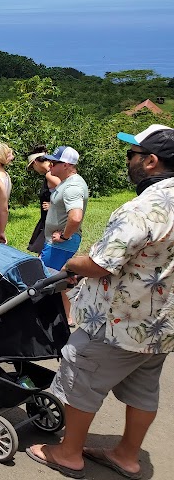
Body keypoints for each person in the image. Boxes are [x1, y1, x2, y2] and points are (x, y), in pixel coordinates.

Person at [27, 124, 174, 480]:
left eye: (132, 154)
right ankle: (127, 455)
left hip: (117, 320)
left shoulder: (143, 208)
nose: (128, 161)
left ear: (151, 161)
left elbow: (100, 263)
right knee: (143, 388)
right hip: (160, 324)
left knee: (82, 376)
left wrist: (73, 263)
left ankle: (68, 453)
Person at [41, 145, 88, 326]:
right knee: (59, 280)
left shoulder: (73, 187)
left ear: (67, 165)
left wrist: (65, 236)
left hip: (60, 244)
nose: (50, 165)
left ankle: (56, 319)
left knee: (50, 280)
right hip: (55, 242)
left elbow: (75, 217)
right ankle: (66, 317)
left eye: (54, 162)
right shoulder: (68, 183)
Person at [26, 145, 62, 254]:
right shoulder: (52, 172)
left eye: (32, 167)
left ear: (35, 162)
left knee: (44, 255)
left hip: (53, 220)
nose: (34, 170)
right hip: (48, 219)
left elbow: (68, 190)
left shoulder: (50, 175)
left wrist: (53, 205)